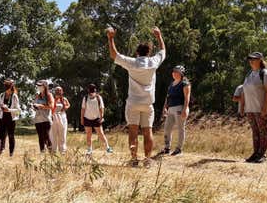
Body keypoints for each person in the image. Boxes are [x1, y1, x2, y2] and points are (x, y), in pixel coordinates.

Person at [107, 26, 166, 166]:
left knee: (133, 132)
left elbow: (114, 55)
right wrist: (159, 36)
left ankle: (134, 160)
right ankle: (147, 159)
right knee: (148, 131)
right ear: (149, 52)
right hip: (148, 103)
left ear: (137, 52)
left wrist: (111, 38)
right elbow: (163, 51)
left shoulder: (132, 63)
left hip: (133, 102)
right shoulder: (153, 62)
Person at [242, 52, 267, 163]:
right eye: (250, 59)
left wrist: (265, 108)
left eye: (254, 59)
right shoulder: (249, 74)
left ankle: (262, 154)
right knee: (255, 131)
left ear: (260, 60)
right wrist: (243, 106)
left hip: (260, 108)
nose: (251, 61)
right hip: (250, 108)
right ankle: (255, 153)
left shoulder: (265, 73)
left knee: (263, 131)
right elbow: (244, 90)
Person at [159, 66, 191, 156]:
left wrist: (185, 109)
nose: (174, 73)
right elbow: (167, 97)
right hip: (171, 109)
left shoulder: (185, 83)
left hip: (180, 108)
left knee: (180, 128)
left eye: (176, 71)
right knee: (167, 129)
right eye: (173, 71)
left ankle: (179, 149)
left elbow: (187, 98)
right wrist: (164, 108)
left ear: (181, 73)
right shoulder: (171, 84)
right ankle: (167, 148)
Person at [80, 84, 113, 156]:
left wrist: (102, 117)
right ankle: (89, 150)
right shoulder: (85, 98)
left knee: (101, 133)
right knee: (88, 134)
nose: (92, 93)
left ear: (95, 90)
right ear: (88, 91)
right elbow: (83, 109)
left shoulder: (99, 98)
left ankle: (107, 147)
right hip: (87, 118)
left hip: (97, 119)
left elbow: (102, 108)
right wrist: (82, 118)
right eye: (90, 91)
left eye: (93, 91)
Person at [0, 79, 21, 156]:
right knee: (1, 136)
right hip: (2, 118)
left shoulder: (14, 96)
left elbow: (18, 110)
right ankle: (0, 151)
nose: (6, 87)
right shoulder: (1, 95)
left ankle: (11, 153)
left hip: (11, 119)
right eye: (5, 85)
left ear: (11, 86)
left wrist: (9, 110)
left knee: (11, 136)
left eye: (8, 85)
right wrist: (1, 107)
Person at [32, 80, 54, 153]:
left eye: (40, 86)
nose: (39, 87)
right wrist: (34, 107)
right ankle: (42, 152)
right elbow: (34, 105)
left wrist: (41, 106)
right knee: (40, 137)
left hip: (46, 119)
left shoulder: (49, 95)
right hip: (38, 119)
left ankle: (51, 153)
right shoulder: (37, 95)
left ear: (45, 86)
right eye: (38, 86)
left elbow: (51, 106)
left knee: (46, 136)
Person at [50, 86, 70, 154]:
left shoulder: (64, 99)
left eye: (60, 90)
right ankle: (53, 151)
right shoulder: (52, 99)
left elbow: (68, 105)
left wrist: (65, 107)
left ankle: (63, 151)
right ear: (54, 91)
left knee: (62, 134)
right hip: (54, 116)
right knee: (53, 134)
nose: (58, 91)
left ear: (62, 91)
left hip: (62, 116)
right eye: (57, 90)